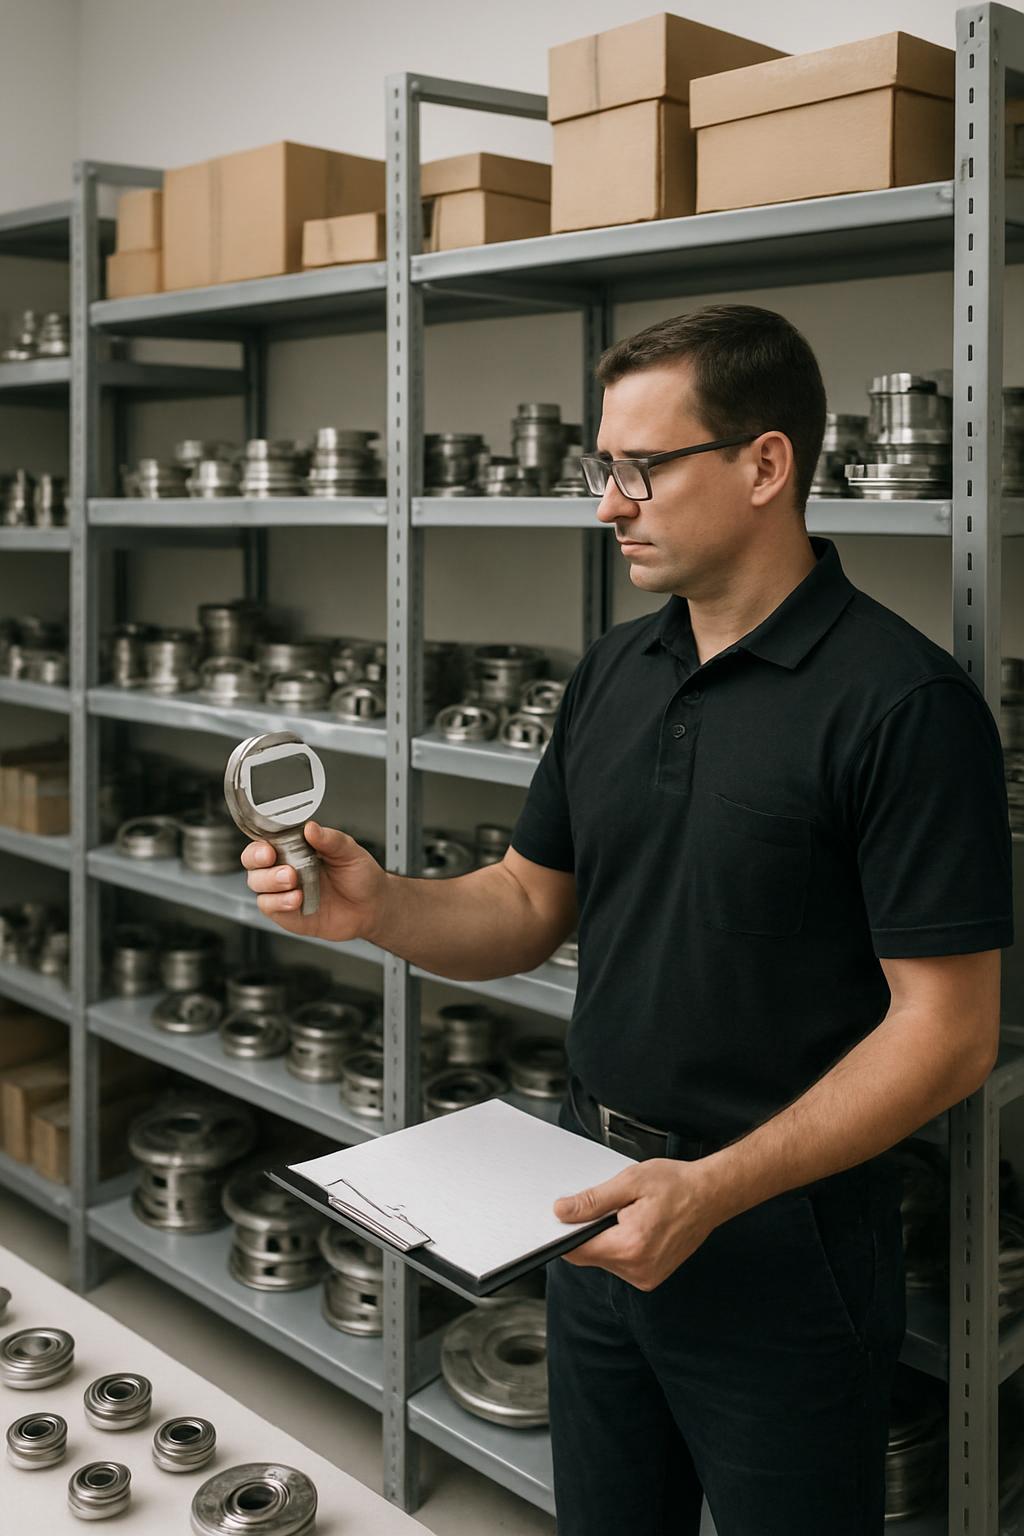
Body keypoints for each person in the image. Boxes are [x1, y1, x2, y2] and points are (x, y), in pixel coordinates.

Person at [241, 304, 1013, 1535]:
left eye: (642, 468)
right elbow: (523, 905)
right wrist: (377, 903)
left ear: (765, 465)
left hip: (780, 1244)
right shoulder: (612, 672)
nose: (609, 504)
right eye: (604, 468)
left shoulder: (902, 705)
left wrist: (710, 1190)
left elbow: (949, 1031)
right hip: (586, 1206)